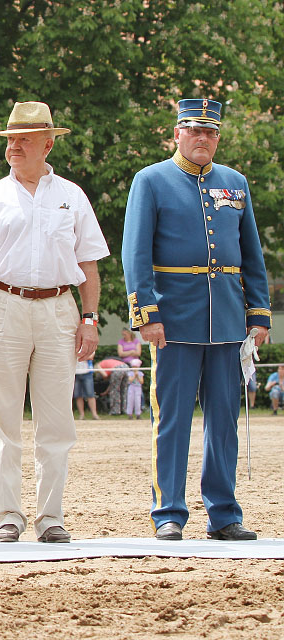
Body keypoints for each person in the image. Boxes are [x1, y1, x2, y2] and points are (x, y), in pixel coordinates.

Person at [122, 98, 271, 542]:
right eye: (195, 131)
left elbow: (252, 257)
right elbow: (136, 254)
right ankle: (168, 512)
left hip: (226, 320)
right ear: (178, 134)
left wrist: (258, 313)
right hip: (175, 323)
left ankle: (224, 514)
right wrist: (146, 314)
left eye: (211, 133)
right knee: (171, 421)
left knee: (224, 422)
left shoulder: (235, 183)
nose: (203, 139)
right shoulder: (150, 180)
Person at [0, 101, 109, 544]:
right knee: (3, 418)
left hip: (59, 310)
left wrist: (90, 318)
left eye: (24, 140)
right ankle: (7, 515)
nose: (14, 147)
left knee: (56, 420)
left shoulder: (73, 195)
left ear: (48, 144)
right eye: (10, 140)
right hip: (3, 305)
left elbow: (89, 266)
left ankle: (51, 517)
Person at [73, 347, 100, 420]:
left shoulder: (88, 345)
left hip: (87, 373)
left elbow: (91, 357)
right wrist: (83, 355)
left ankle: (94, 414)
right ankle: (81, 415)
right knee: (77, 395)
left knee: (90, 394)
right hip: (75, 373)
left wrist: (77, 355)